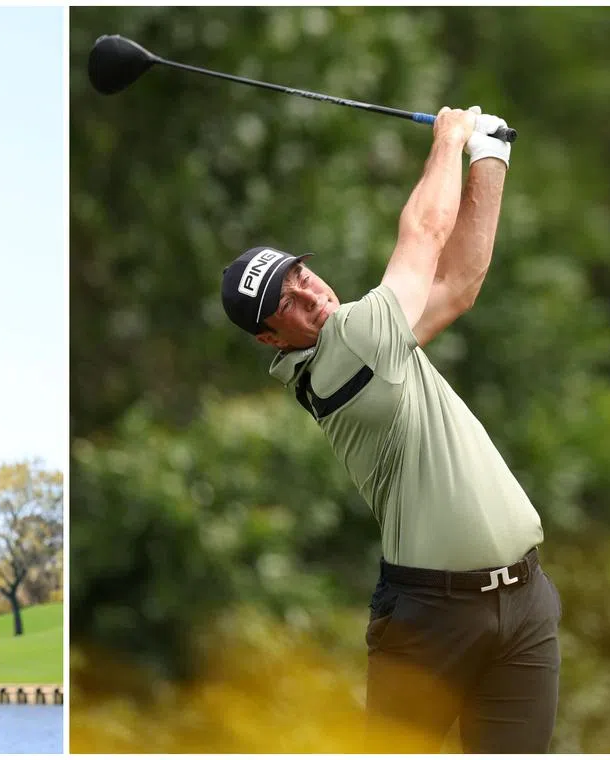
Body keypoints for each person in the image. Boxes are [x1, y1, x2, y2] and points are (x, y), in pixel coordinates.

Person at [220, 107, 561, 753]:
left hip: (525, 601)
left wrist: (492, 157)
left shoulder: (376, 337)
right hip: (432, 619)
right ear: (271, 338)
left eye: (301, 276)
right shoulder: (346, 347)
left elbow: (459, 283)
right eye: (286, 303)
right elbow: (428, 232)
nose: (311, 295)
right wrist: (452, 138)